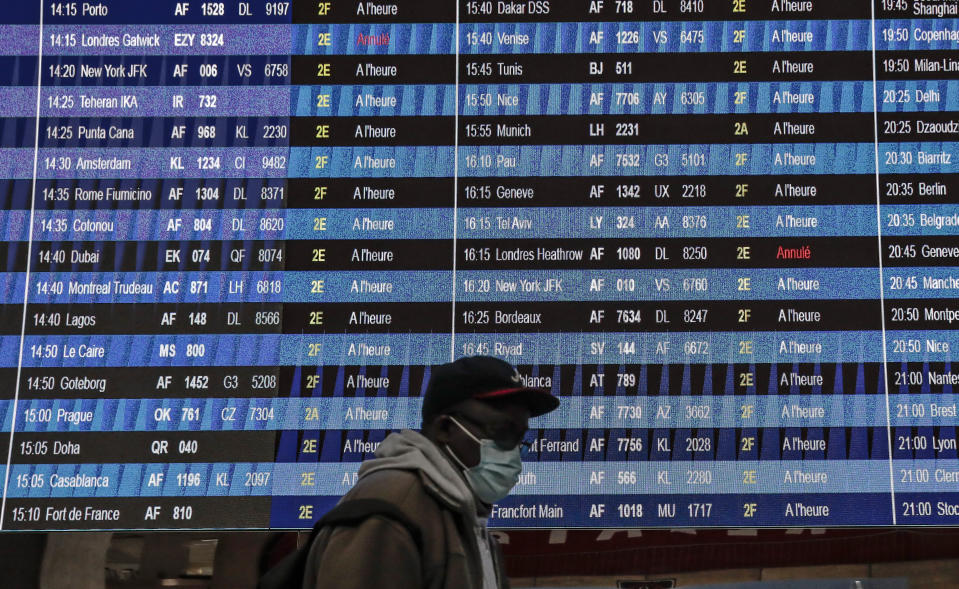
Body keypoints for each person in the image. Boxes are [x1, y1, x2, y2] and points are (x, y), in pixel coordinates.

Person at [301, 355, 560, 589]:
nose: (512, 450)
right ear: (445, 429)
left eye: (519, 437)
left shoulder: (466, 521)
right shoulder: (389, 509)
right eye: (502, 432)